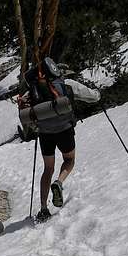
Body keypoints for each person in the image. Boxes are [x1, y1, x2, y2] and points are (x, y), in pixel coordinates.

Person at [35, 77, 100, 222]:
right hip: (64, 129)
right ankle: (58, 182)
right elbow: (92, 97)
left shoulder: (35, 87)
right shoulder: (65, 83)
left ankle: (44, 209)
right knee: (69, 159)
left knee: (48, 169)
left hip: (44, 132)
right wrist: (97, 93)